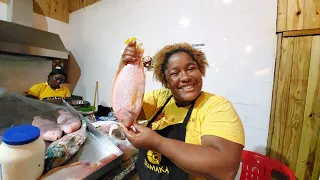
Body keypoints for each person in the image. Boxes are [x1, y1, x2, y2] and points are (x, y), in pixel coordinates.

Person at [119, 40, 245, 180]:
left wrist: (157, 142)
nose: (185, 77)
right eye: (175, 73)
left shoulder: (217, 106)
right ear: (166, 81)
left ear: (200, 70)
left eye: (191, 68)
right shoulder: (160, 98)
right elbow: (124, 109)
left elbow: (225, 169)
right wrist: (127, 67)